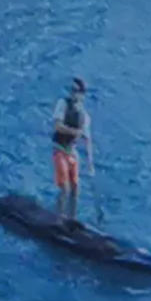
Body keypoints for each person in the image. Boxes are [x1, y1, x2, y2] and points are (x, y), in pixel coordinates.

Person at [50, 79, 92, 224]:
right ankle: (58, 220)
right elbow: (57, 126)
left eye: (76, 91)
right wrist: (73, 131)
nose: (73, 93)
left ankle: (72, 219)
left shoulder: (84, 116)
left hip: (72, 152)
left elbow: (87, 139)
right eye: (72, 90)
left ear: (82, 94)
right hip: (60, 149)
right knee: (65, 188)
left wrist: (90, 163)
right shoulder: (63, 104)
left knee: (75, 187)